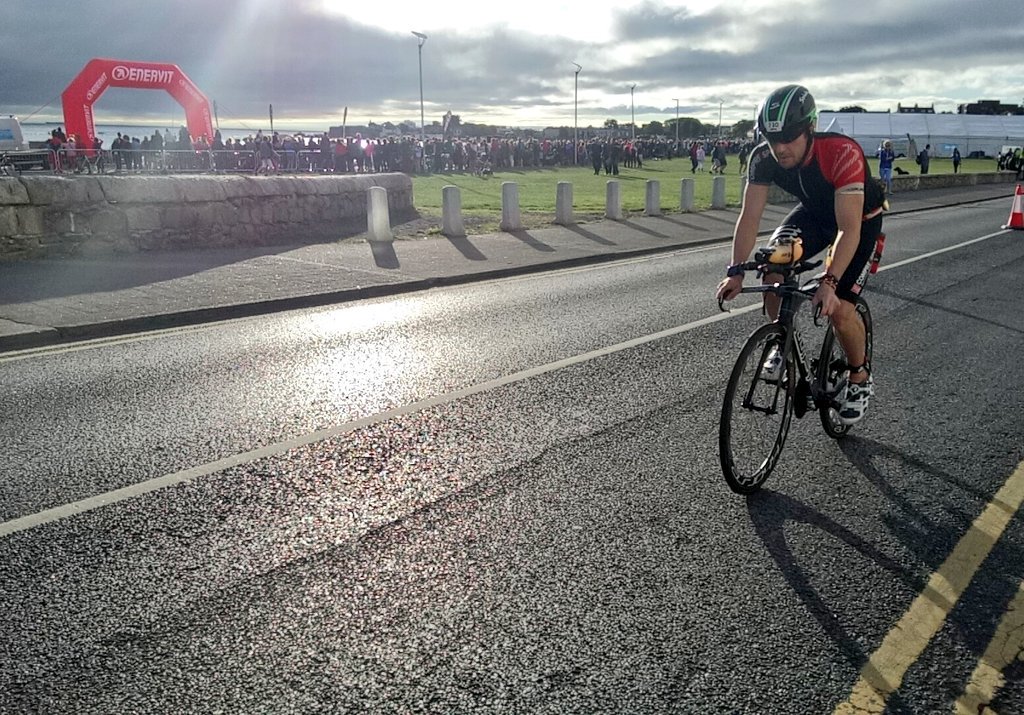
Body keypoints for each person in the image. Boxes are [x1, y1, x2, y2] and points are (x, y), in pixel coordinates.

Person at [716, 85, 886, 424]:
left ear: (810, 129)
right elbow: (749, 217)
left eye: (790, 138)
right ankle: (782, 340)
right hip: (813, 215)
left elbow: (848, 229)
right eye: (772, 139)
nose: (780, 148)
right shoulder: (763, 159)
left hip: (858, 222)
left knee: (840, 309)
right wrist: (735, 270)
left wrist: (829, 280)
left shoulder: (841, 152)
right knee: (772, 264)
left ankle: (859, 378)